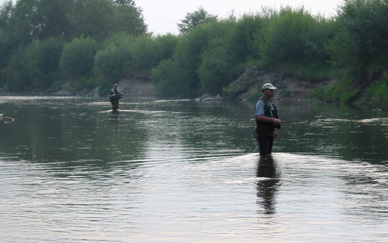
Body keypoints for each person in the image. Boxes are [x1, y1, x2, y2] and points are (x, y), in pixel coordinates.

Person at [255, 83, 282, 157]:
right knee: (264, 155)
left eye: (273, 90)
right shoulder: (260, 102)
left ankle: (268, 168)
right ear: (265, 91)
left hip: (270, 131)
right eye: (271, 90)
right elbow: (259, 117)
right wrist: (274, 120)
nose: (272, 92)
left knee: (269, 153)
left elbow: (270, 115)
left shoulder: (270, 102)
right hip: (262, 132)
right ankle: (263, 167)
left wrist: (274, 130)